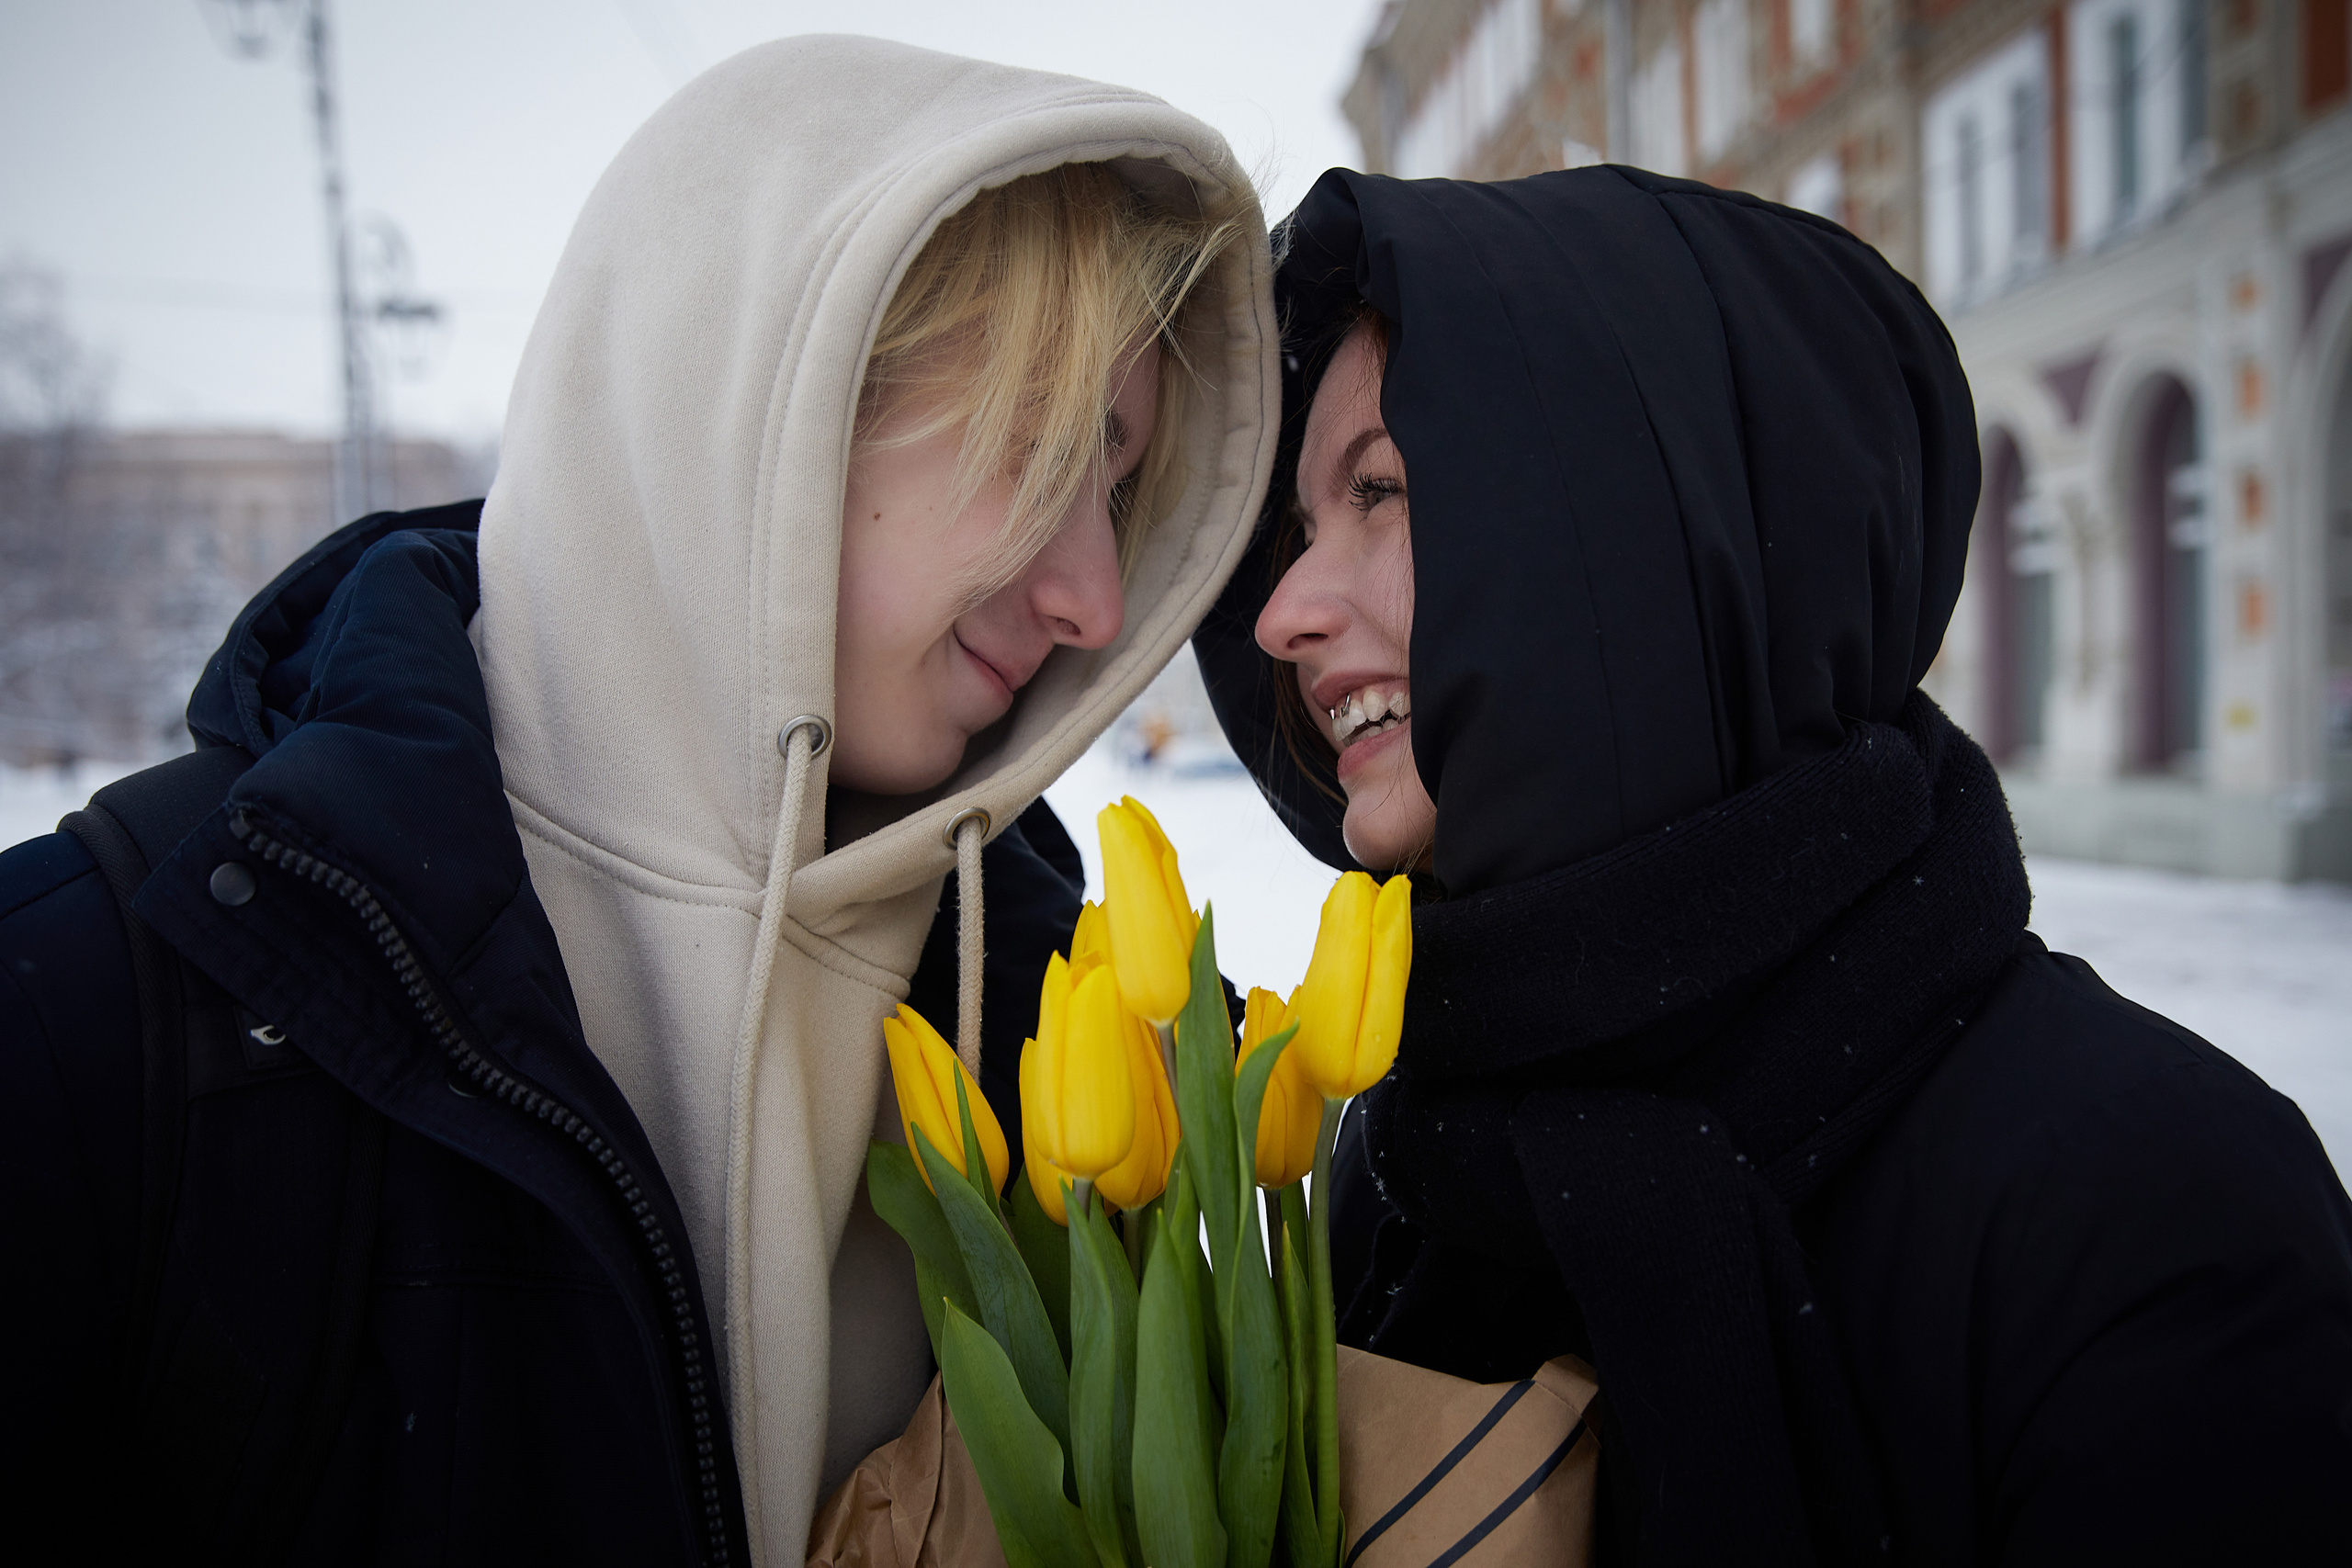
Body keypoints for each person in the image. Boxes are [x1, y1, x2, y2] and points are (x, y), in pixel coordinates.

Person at [0, 38, 1276, 1563]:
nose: (1096, 598)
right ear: (753, 410)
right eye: (1045, 449)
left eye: (1119, 493)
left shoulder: (1061, 1027)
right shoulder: (121, 1006)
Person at [1193, 165, 2352, 1565]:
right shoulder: (1397, 1166)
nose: (1283, 611)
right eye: (1302, 531)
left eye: (1381, 490)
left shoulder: (2154, 1212)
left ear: (1655, 532)